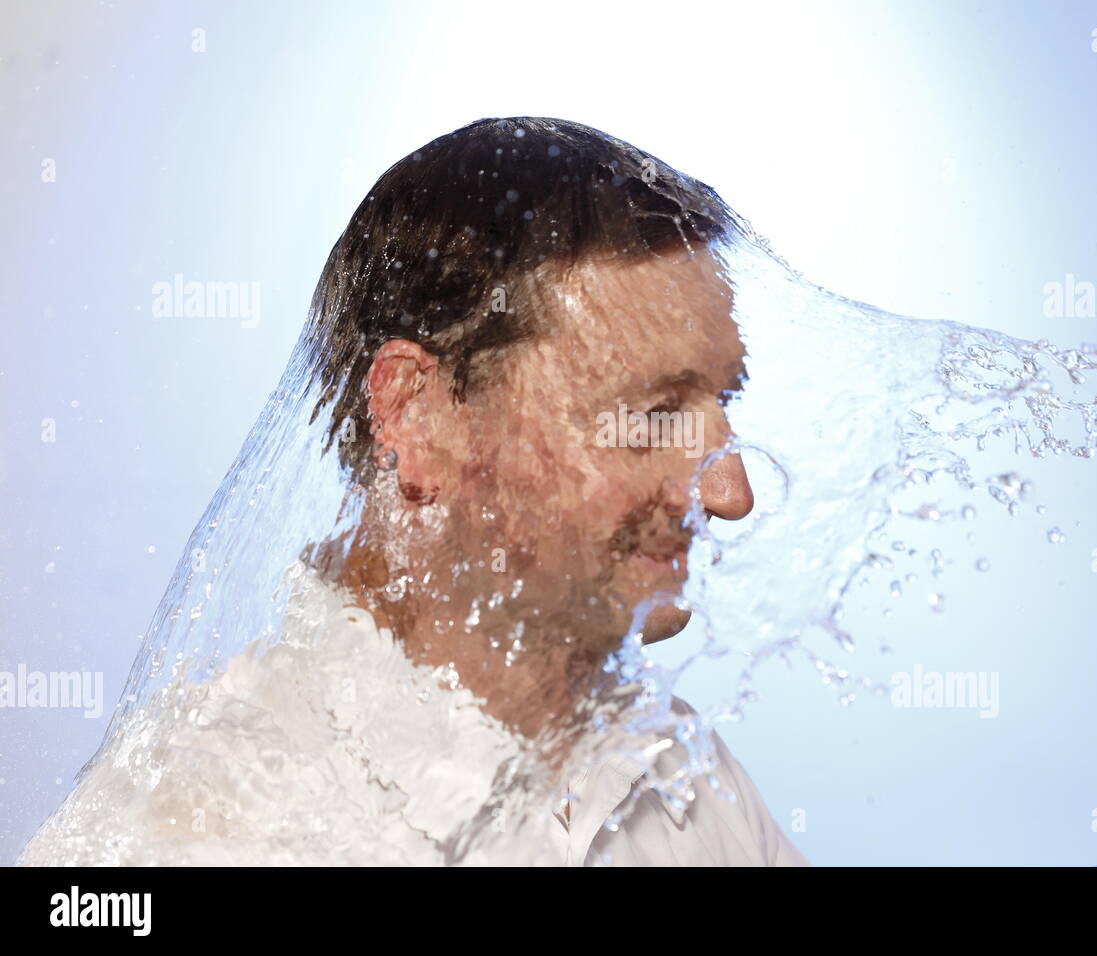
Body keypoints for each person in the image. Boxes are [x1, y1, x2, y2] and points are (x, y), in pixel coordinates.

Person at [20, 117, 809, 866]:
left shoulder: (681, 776)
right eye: (651, 417)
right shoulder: (190, 830)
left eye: (723, 405)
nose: (732, 492)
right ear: (417, 414)